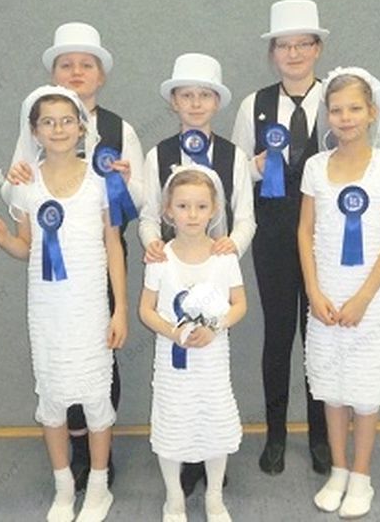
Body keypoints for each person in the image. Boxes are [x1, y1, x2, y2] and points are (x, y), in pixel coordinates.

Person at [2, 22, 144, 490]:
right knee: (58, 363)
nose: (77, 72)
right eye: (67, 65)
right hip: (51, 271)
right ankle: (76, 450)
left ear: (101, 75)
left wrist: (125, 181)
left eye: (86, 65)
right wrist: (11, 183)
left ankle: (101, 455)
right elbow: (21, 199)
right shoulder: (36, 138)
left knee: (102, 354)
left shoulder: (121, 129)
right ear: (54, 75)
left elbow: (139, 200)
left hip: (101, 256)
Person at [0, 85, 127, 522]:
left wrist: (120, 309)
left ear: (82, 127)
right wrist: (2, 236)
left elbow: (114, 245)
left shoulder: (102, 179)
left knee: (96, 396)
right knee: (53, 396)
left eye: (67, 120)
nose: (58, 129)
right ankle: (63, 487)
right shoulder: (26, 184)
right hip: (47, 309)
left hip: (90, 305)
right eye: (48, 122)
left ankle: (98, 486)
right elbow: (26, 246)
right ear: (35, 131)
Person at [138, 52, 255, 495]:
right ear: (174, 102)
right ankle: (184, 458)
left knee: (210, 369)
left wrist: (231, 246)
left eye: (204, 96)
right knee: (179, 375)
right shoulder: (158, 154)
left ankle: (211, 453)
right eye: (186, 96)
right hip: (172, 268)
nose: (195, 103)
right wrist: (153, 242)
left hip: (216, 267)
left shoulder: (233, 155)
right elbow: (149, 214)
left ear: (216, 102)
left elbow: (246, 215)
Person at [298, 67, 380, 518]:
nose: (345, 118)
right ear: (327, 115)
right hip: (325, 295)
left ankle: (361, 475)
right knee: (331, 387)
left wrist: (364, 296)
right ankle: (339, 469)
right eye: (337, 109)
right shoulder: (315, 167)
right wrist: (313, 290)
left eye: (354, 109)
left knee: (364, 389)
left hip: (369, 295)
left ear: (372, 113)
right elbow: (305, 231)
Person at [230, 0, 329, 475]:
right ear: (272, 53)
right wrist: (254, 167)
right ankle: (275, 435)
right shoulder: (254, 105)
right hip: (272, 236)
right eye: (283, 46)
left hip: (327, 239)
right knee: (278, 334)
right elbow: (235, 175)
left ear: (318, 49)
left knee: (319, 337)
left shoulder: (336, 99)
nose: (293, 54)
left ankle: (321, 436)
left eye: (302, 44)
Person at [139, 166, 247, 522]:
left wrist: (215, 327)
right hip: (173, 360)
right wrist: (174, 333)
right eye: (183, 206)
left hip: (212, 357)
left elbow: (239, 304)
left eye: (201, 207)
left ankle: (215, 496)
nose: (192, 215)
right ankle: (174, 498)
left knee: (214, 421)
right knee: (174, 422)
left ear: (213, 210)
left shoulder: (224, 256)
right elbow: (146, 310)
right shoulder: (160, 257)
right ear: (168, 210)